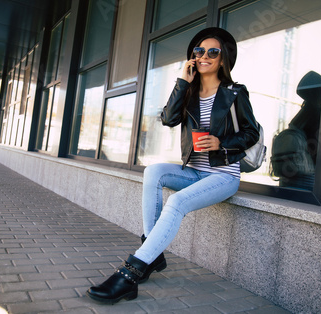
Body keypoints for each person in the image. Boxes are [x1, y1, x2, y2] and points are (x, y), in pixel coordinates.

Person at [87, 27, 260, 304]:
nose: (204, 56)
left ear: (223, 59)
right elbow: (167, 119)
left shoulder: (235, 93)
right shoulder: (189, 91)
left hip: (223, 174)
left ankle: (131, 273)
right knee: (153, 171)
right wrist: (182, 81)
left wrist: (220, 143)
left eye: (212, 52)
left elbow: (251, 133)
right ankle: (151, 252)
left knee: (176, 202)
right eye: (199, 51)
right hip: (195, 171)